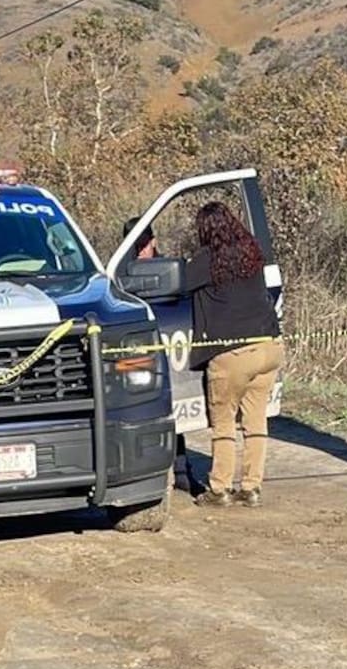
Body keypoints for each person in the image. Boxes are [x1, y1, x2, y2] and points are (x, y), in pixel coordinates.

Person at [184, 201, 283, 507]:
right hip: (269, 346)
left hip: (233, 354)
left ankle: (219, 488)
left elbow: (179, 284)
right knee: (256, 422)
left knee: (224, 422)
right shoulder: (252, 253)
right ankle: (251, 487)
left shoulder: (205, 261)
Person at [121, 218, 205, 494]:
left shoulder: (171, 270)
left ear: (154, 241)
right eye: (135, 245)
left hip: (171, 351)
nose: (141, 250)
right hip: (138, 358)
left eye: (144, 243)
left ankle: (182, 471)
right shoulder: (118, 273)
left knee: (175, 413)